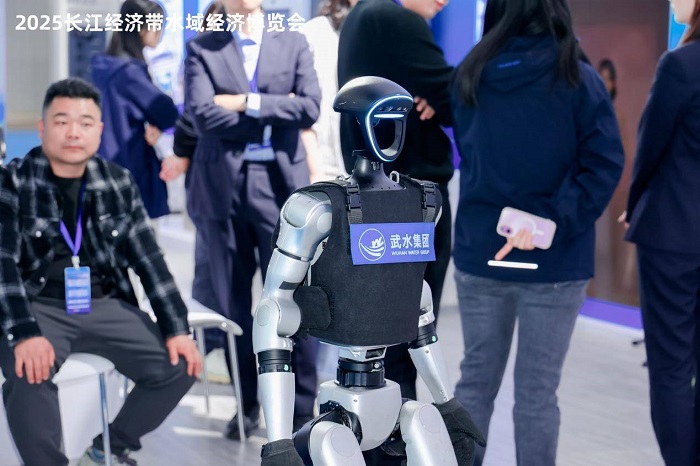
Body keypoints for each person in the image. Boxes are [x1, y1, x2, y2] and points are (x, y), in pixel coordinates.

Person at [450, 0, 624, 464]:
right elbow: (604, 165)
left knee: (475, 381)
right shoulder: (578, 78)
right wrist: (552, 221)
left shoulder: (470, 75)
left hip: (482, 252)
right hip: (556, 261)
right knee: (537, 394)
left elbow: (469, 155)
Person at [0, 78, 201, 466]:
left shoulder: (117, 181)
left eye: (85, 122)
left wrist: (177, 328)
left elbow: (149, 260)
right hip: (38, 305)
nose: (74, 132)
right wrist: (24, 333)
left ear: (99, 131)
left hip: (104, 303)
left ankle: (107, 450)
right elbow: (3, 263)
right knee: (28, 374)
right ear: (43, 128)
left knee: (180, 365)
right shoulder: (13, 180)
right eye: (62, 121)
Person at [184, 0, 321, 439]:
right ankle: (246, 404)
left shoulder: (292, 41)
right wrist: (274, 113)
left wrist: (247, 103)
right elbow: (202, 114)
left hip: (280, 188)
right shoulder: (202, 47)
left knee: (292, 300)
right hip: (221, 190)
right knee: (232, 303)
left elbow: (310, 108)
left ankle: (301, 409)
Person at [337, 0, 454, 406]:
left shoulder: (361, 17)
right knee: (412, 328)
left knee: (381, 333)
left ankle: (384, 426)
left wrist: (434, 97)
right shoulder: (398, 20)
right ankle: (398, 431)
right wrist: (437, 99)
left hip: (372, 194)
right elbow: (457, 95)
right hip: (412, 200)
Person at [624, 0, 700, 463]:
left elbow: (651, 146)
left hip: (674, 233)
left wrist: (635, 206)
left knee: (670, 366)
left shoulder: (681, 64)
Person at [92, 0, 179, 219]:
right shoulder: (129, 73)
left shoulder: (103, 67)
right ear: (142, 29)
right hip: (130, 167)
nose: (161, 31)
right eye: (158, 25)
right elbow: (166, 111)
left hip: (103, 165)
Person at [299, 0, 357, 183]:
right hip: (326, 168)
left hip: (372, 171)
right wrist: (315, 170)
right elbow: (302, 104)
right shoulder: (317, 31)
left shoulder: (382, 30)